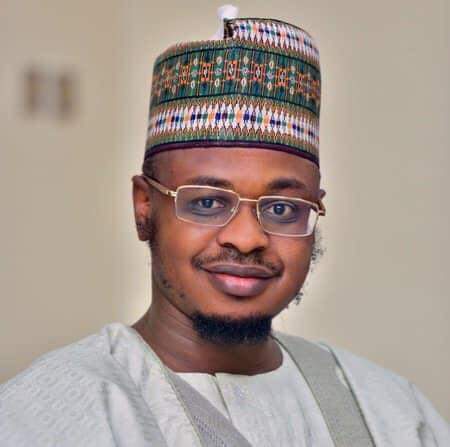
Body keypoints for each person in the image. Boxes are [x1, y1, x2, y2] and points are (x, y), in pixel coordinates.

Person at [1, 6, 449, 447]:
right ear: (144, 207)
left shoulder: (390, 411)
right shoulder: (55, 416)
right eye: (208, 202)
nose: (247, 238)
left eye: (281, 209)